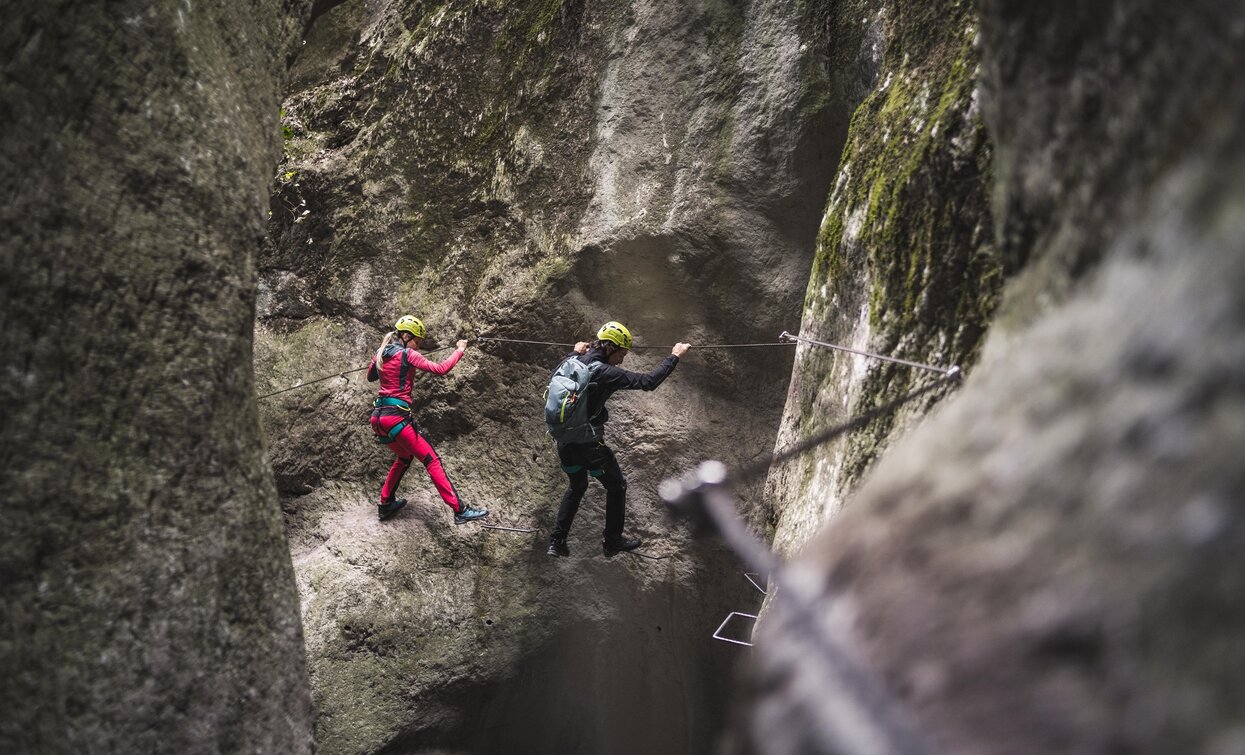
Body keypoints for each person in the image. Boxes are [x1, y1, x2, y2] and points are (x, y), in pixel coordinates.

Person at [547, 321, 690, 557]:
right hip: (590, 447)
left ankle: (556, 541)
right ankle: (612, 541)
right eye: (622, 353)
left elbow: (554, 377)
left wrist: (574, 351)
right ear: (610, 348)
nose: (622, 359)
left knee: (577, 485)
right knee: (617, 486)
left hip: (564, 443)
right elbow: (648, 382)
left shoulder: (571, 361)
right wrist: (674, 356)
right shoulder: (605, 372)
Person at [367, 315, 488, 524]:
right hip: (397, 420)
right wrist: (460, 350)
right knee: (431, 460)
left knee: (404, 457)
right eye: (417, 341)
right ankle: (460, 510)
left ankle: (385, 503)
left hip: (378, 420)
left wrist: (381, 359)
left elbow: (371, 376)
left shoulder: (381, 352)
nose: (418, 346)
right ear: (406, 336)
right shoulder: (408, 354)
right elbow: (441, 369)